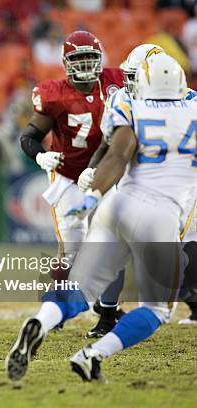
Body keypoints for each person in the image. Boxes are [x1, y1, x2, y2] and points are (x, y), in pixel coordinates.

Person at [6, 53, 197, 382]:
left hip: (117, 203)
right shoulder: (193, 107)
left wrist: (93, 192)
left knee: (81, 289)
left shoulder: (129, 105)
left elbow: (117, 155)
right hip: (160, 215)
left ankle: (43, 318)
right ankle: (92, 354)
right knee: (156, 309)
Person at [79, 44, 197, 328]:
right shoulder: (121, 97)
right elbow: (111, 147)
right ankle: (107, 315)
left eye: (136, 76)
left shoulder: (188, 101)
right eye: (129, 75)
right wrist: (92, 170)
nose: (129, 83)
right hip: (136, 181)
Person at [19, 31, 124, 281]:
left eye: (91, 57)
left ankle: (106, 308)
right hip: (68, 175)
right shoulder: (54, 93)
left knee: (111, 241)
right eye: (80, 58)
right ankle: (55, 300)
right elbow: (29, 137)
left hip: (105, 172)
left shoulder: (115, 82)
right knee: (73, 247)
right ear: (66, 63)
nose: (87, 63)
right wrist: (41, 157)